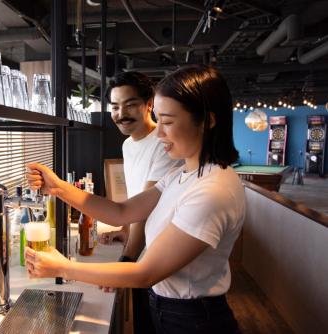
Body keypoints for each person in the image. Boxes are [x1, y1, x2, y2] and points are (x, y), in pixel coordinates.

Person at [25, 64, 244, 334]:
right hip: (169, 307)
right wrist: (58, 188)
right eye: (159, 120)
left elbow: (146, 272)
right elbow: (122, 212)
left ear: (207, 121)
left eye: (169, 121)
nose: (160, 133)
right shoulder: (184, 174)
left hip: (194, 320)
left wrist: (63, 268)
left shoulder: (213, 190)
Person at [102, 71, 181, 333]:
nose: (121, 113)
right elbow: (135, 198)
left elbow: (147, 209)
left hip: (158, 262)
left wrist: (126, 261)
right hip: (141, 256)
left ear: (149, 104)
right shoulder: (128, 145)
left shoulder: (163, 143)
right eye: (115, 106)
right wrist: (123, 231)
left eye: (130, 104)